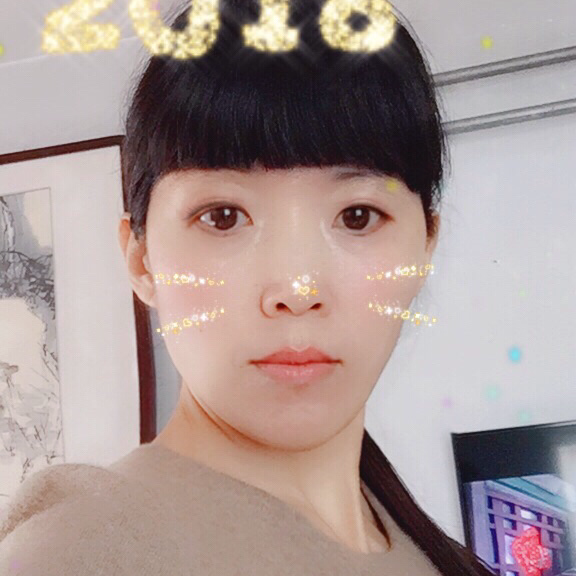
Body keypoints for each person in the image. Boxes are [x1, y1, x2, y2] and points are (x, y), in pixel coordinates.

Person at [0, 0, 493, 574]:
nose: (297, 289)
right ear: (141, 259)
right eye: (224, 216)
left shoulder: (422, 545)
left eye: (357, 216)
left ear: (425, 245)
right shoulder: (88, 550)